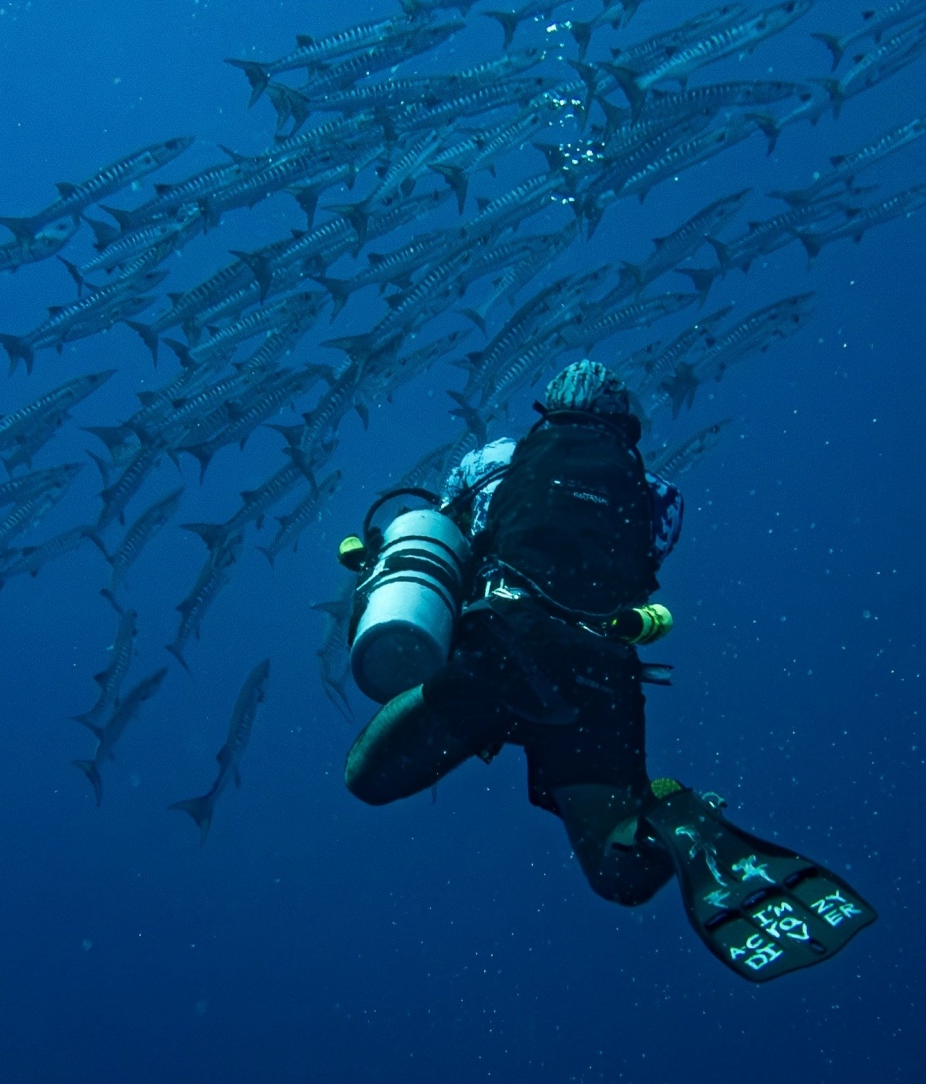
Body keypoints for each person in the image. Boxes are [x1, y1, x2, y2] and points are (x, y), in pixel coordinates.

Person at [341, 360, 877, 981]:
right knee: (614, 870)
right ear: (623, 420)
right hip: (602, 670)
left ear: (550, 407)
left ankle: (635, 799)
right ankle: (674, 819)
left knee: (367, 777)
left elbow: (446, 547)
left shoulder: (492, 461)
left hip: (504, 649)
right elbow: (643, 566)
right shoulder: (659, 495)